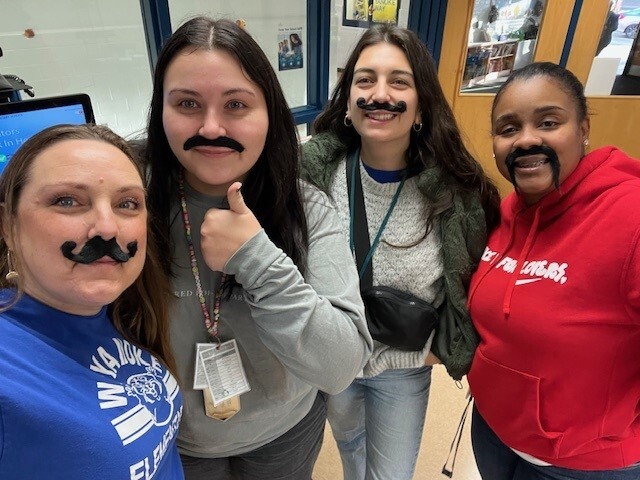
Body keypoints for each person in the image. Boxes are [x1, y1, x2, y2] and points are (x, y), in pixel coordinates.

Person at [142, 16, 372, 480]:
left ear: (269, 113)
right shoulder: (132, 200)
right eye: (187, 103)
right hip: (175, 438)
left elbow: (341, 365)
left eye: (236, 105)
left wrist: (258, 259)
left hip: (283, 431)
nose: (210, 127)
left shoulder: (305, 206)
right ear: (159, 110)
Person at [300, 24, 500, 480]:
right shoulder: (312, 176)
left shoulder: (456, 194)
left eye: (399, 82)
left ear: (422, 106)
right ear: (348, 99)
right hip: (334, 363)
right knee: (352, 456)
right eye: (365, 79)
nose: (380, 94)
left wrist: (408, 359)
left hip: (405, 369)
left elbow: (469, 304)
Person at [467, 62, 640, 479]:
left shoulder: (630, 215)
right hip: (495, 435)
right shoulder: (506, 212)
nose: (527, 140)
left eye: (548, 122)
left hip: (582, 464)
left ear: (583, 129)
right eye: (508, 129)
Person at [0, 124, 184, 479]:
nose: (107, 227)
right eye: (67, 200)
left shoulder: (118, 312)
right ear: (7, 225)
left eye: (127, 204)